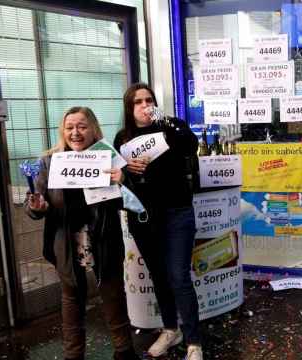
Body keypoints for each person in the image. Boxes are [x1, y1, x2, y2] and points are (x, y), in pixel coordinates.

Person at [25, 107, 138, 360]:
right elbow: (35, 201)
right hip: (66, 241)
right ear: (63, 131)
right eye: (69, 127)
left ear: (93, 129)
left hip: (103, 237)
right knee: (71, 300)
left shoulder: (108, 157)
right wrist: (36, 206)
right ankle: (73, 355)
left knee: (112, 295)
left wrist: (123, 180)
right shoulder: (49, 161)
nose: (75, 132)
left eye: (82, 126)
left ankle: (124, 351)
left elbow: (129, 200)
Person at [113, 83, 202, 360]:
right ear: (130, 108)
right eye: (137, 102)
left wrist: (165, 120)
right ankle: (170, 329)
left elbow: (191, 145)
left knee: (178, 277)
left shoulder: (171, 127)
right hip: (143, 216)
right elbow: (118, 178)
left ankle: (194, 342)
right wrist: (127, 169)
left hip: (176, 212)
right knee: (160, 277)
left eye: (148, 100)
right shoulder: (122, 138)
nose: (144, 105)